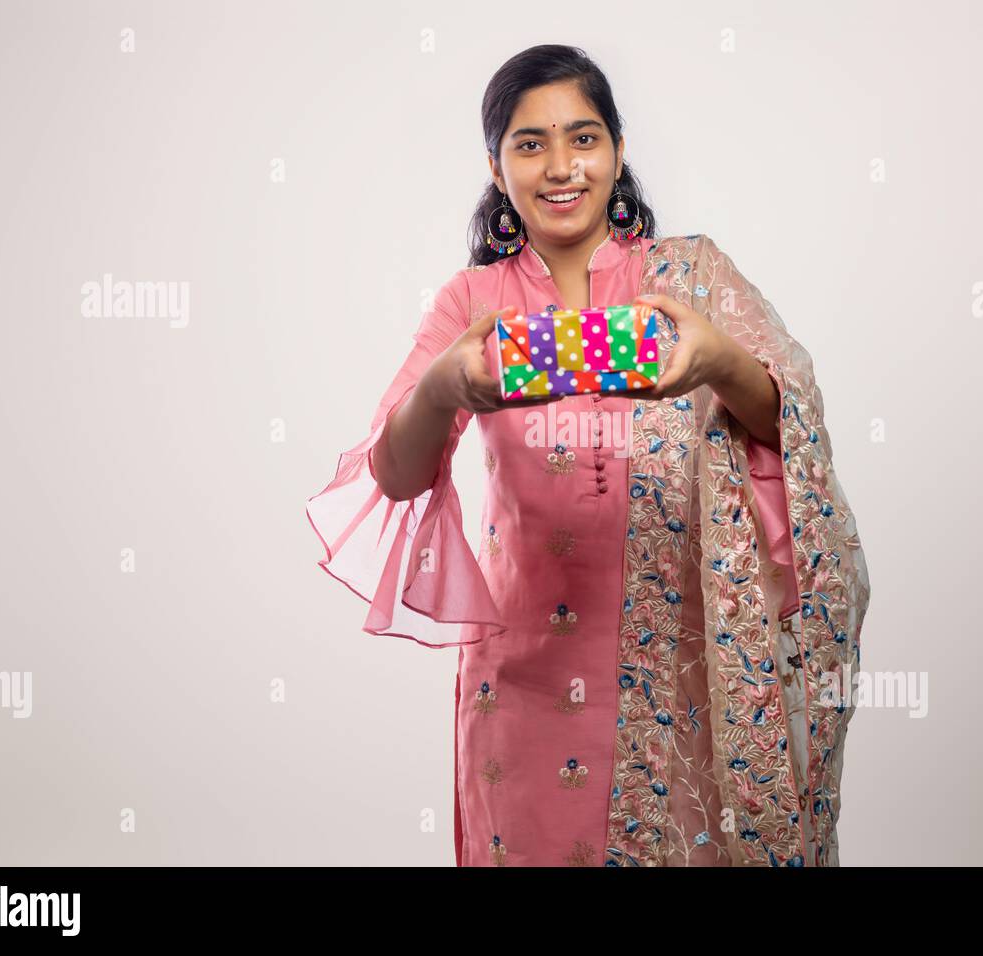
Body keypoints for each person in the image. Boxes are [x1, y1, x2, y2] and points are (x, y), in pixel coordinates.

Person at [306, 44, 870, 867]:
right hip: (522, 677)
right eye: (530, 144)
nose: (561, 166)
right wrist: (444, 388)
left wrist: (714, 359)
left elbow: (791, 424)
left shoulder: (687, 279)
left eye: (584, 137)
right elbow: (392, 475)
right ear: (496, 169)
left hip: (684, 670)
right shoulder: (473, 303)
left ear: (617, 149)